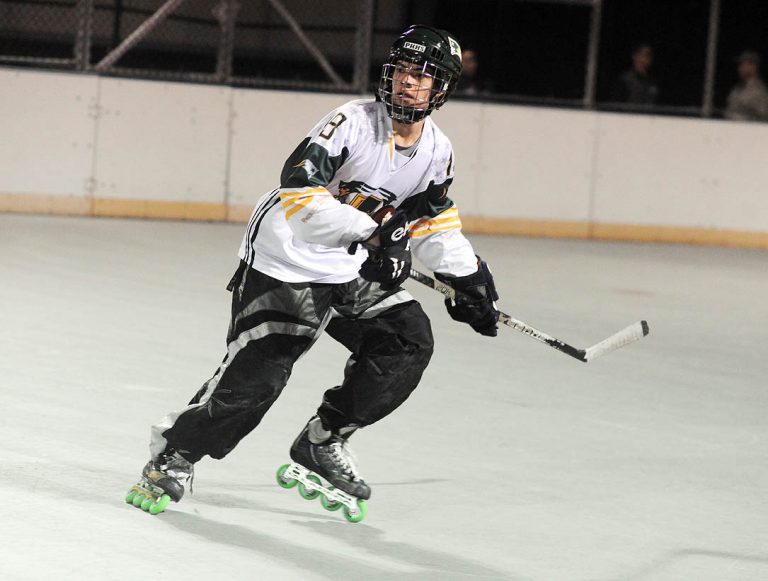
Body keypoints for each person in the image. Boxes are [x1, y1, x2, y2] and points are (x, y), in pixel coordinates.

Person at [126, 25, 500, 514]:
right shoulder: (351, 123)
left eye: (421, 75)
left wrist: (468, 277)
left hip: (346, 266)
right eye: (402, 70)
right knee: (261, 378)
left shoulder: (436, 150)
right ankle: (175, 453)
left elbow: (432, 221)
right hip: (289, 258)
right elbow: (299, 196)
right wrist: (373, 233)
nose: (407, 83)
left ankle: (324, 439)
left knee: (406, 340)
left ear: (443, 88)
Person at [724, 50, 768, 122]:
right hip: (730, 128)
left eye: (743, 64)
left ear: (753, 66)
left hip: (748, 130)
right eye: (740, 65)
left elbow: (764, 117)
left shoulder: (761, 92)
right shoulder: (736, 89)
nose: (740, 68)